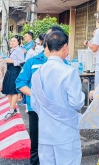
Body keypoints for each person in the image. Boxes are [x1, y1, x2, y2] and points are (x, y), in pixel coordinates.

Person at [31, 31, 85, 165]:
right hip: (66, 132)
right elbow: (77, 103)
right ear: (65, 46)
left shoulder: (37, 73)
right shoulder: (69, 71)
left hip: (45, 132)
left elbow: (35, 104)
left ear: (47, 47)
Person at [16, 26, 66, 165]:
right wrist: (36, 94)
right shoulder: (32, 62)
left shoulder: (64, 63)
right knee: (36, 146)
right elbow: (20, 83)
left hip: (57, 111)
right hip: (36, 110)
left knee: (56, 145)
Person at [2, 35, 25, 121]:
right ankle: (12, 108)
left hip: (15, 71)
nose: (12, 42)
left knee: (13, 91)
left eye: (14, 41)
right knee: (8, 90)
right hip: (9, 70)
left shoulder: (19, 50)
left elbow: (22, 62)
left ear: (18, 42)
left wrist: (12, 61)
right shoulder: (12, 50)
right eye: (11, 41)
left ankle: (11, 110)